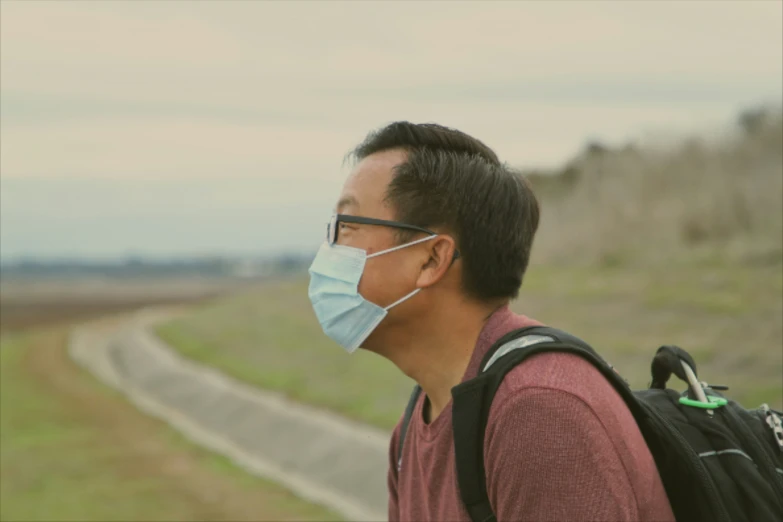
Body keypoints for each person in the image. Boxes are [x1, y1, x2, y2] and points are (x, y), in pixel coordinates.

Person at [307, 121, 675, 522]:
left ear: (431, 259)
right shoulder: (419, 419)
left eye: (348, 226)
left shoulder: (540, 413)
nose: (330, 249)